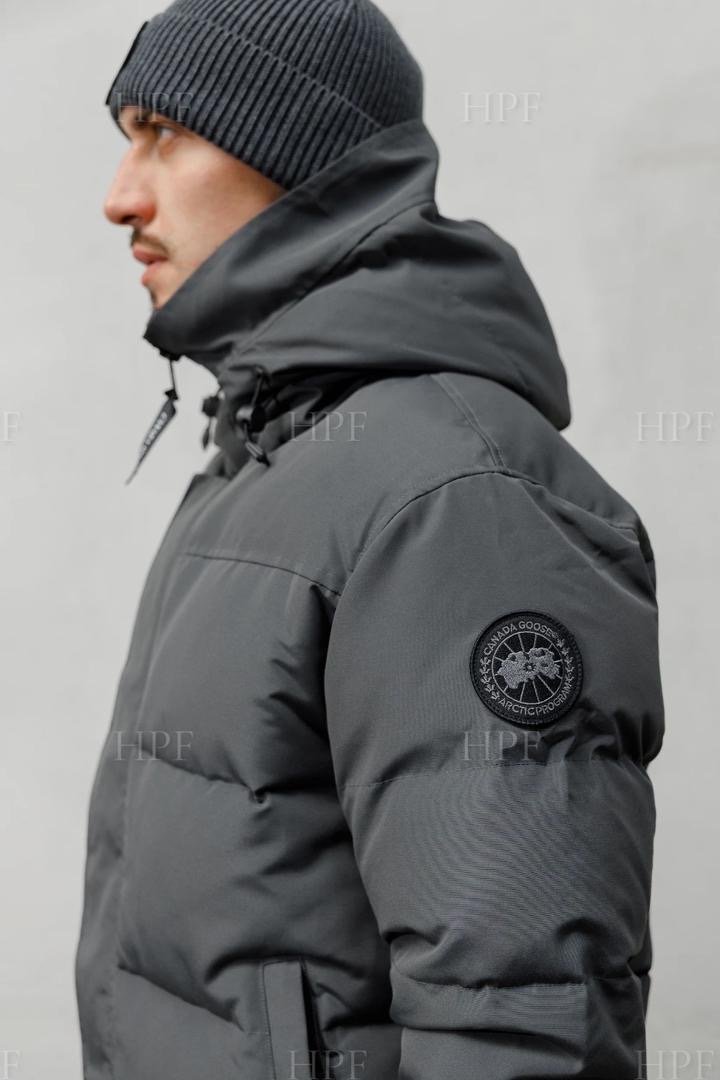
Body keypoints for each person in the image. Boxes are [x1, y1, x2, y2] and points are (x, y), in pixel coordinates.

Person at [75, 1, 665, 1077]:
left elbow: (522, 1023)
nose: (121, 196)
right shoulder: (264, 458)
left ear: (299, 156)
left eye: (165, 133)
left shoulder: (453, 498)